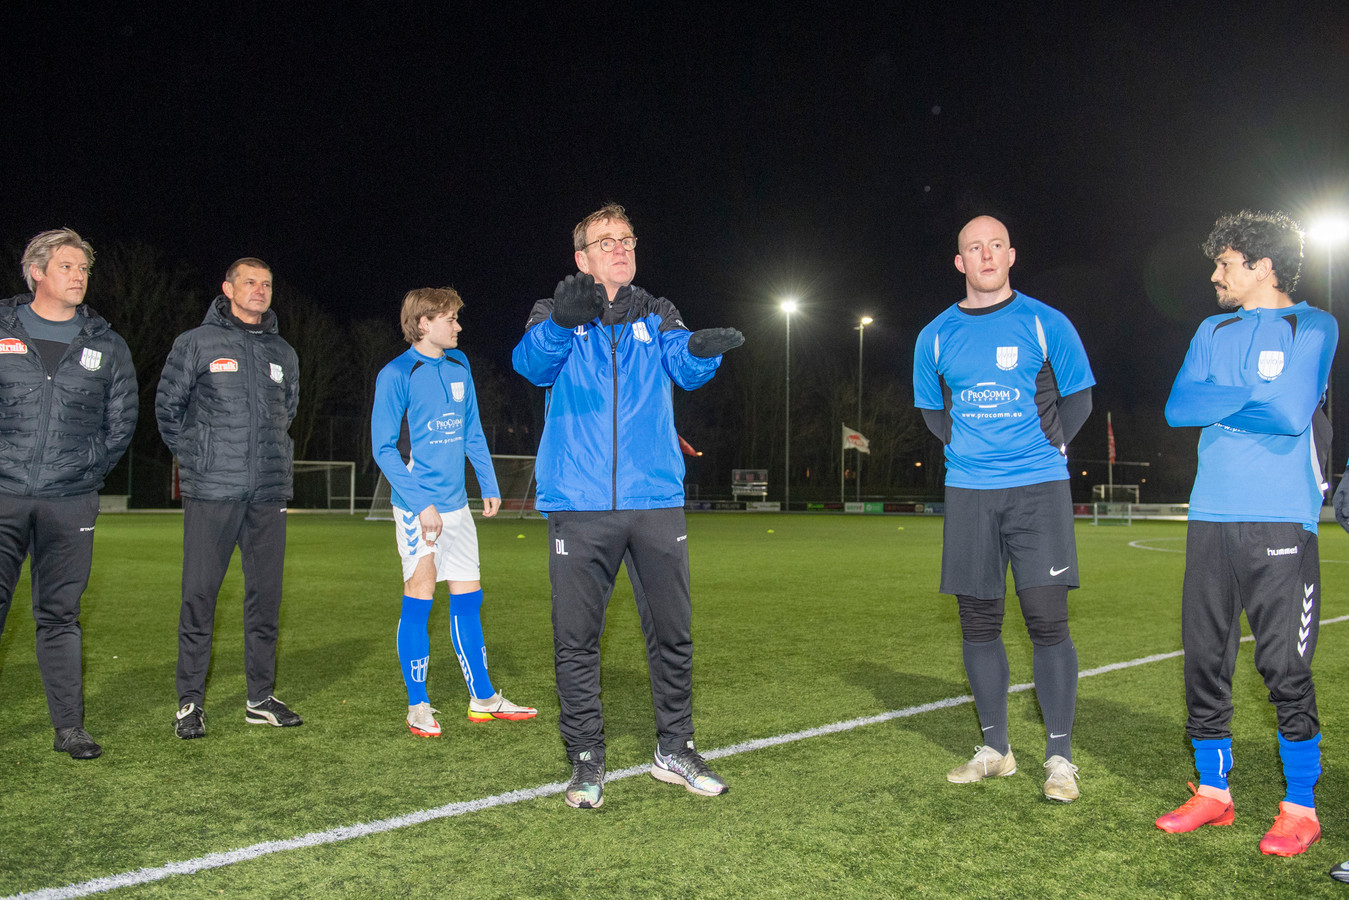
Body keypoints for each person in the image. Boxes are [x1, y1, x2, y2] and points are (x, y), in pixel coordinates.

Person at [512, 203, 743, 809]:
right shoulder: (554, 312)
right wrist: (563, 324)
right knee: (576, 640)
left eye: (626, 238)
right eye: (604, 240)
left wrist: (703, 350)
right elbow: (530, 365)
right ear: (582, 258)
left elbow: (685, 368)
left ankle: (676, 749)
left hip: (655, 500)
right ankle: (586, 758)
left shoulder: (657, 313)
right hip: (579, 503)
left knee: (672, 633)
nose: (618, 247)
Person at [1158, 210, 1334, 858]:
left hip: (1280, 516)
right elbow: (1178, 405)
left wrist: (1222, 396)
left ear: (1261, 266)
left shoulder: (1311, 325)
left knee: (1283, 666)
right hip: (1209, 515)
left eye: (1224, 263)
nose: (1214, 275)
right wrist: (1250, 395)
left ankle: (1300, 807)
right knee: (1204, 657)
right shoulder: (1211, 327)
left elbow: (1291, 413)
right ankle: (1211, 792)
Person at [912, 215, 1095, 802]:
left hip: (1039, 489)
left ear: (1011, 255)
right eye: (973, 248)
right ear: (959, 262)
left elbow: (1080, 397)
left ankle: (1060, 758)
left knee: (1047, 622)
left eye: (995, 245)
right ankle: (996, 749)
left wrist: (1042, 446)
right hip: (969, 494)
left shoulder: (1048, 322)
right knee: (979, 624)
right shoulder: (934, 335)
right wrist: (972, 452)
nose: (985, 255)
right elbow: (933, 413)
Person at [371, 287, 536, 737]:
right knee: (419, 602)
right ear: (423, 323)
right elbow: (383, 449)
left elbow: (471, 431)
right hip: (416, 509)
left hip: (457, 509)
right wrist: (421, 503)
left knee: (469, 601)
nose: (459, 325)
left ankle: (483, 698)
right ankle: (417, 704)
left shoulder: (461, 366)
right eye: (451, 318)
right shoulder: (397, 374)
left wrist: (489, 483)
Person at [0, 228, 137, 760]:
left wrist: (85, 470)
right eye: (66, 267)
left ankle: (69, 728)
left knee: (59, 615)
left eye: (83, 269)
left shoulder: (106, 343)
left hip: (70, 499)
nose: (78, 276)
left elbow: (122, 420)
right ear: (36, 272)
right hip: (4, 493)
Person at [156, 258, 302, 739]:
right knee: (199, 596)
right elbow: (168, 408)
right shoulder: (195, 343)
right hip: (212, 491)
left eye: (266, 283)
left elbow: (289, 410)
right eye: (250, 282)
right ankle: (189, 703)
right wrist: (200, 461)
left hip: (268, 493)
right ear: (227, 288)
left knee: (266, 600)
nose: (259, 290)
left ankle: (259, 697)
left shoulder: (284, 352)